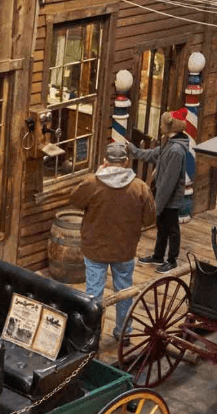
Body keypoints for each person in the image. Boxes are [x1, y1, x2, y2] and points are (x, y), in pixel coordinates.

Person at [71, 142, 156, 345]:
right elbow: (150, 218)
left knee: (93, 293)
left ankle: (91, 335)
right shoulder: (140, 187)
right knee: (124, 290)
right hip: (125, 248)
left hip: (95, 247)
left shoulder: (92, 183)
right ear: (126, 161)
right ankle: (124, 331)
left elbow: (75, 200)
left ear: (105, 161)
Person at [129, 108, 190, 274]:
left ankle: (172, 260)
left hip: (170, 198)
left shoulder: (176, 150)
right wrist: (134, 151)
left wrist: (157, 206)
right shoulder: (168, 143)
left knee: (172, 229)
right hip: (163, 197)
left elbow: (168, 183)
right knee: (162, 227)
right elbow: (153, 154)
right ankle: (158, 256)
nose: (160, 127)